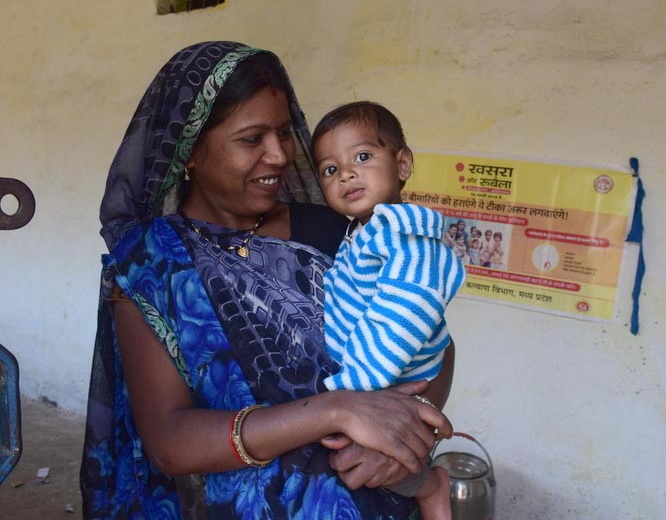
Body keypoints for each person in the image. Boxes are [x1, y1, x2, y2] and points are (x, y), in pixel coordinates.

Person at [80, 42, 454, 519]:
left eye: (282, 133)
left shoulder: (338, 230)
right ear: (190, 150)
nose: (278, 155)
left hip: (370, 499)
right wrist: (338, 410)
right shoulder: (153, 264)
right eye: (252, 139)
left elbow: (436, 343)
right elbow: (171, 442)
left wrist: (401, 430)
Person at [311, 101, 466, 519]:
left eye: (362, 157)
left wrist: (350, 391)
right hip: (371, 376)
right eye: (330, 169)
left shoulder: (409, 241)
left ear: (402, 164)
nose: (346, 174)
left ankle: (431, 488)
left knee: (360, 453)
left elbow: (396, 321)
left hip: (389, 374)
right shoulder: (362, 233)